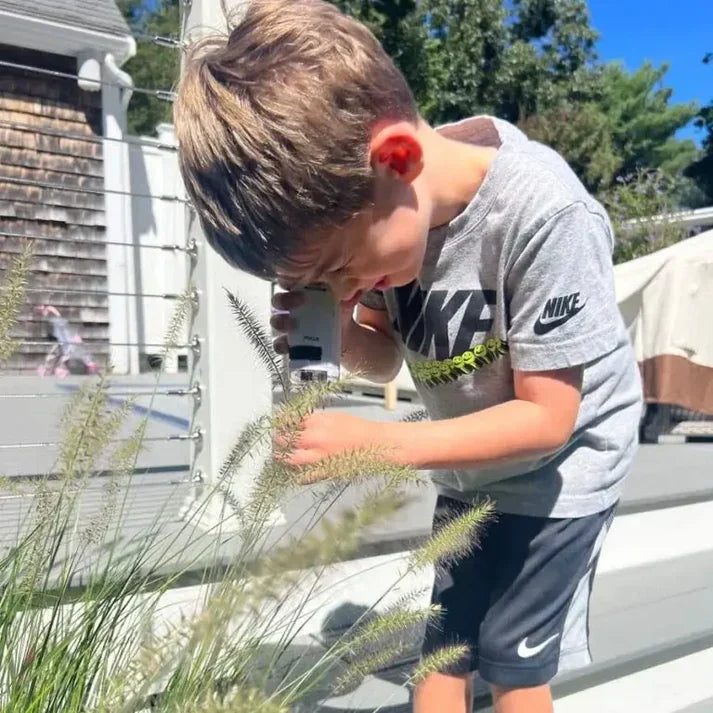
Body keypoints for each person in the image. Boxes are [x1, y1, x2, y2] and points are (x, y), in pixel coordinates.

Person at [174, 2, 643, 711]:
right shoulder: (393, 220)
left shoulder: (544, 215)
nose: (345, 287)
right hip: (467, 457)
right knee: (442, 645)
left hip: (561, 470)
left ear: (398, 158)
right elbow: (388, 356)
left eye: (338, 266)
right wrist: (344, 333)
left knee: (512, 660)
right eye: (322, 284)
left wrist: (381, 444)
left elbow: (548, 418)